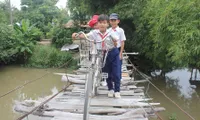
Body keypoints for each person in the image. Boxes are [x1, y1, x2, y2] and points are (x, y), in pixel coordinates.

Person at [72, 14, 121, 98]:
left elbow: (116, 39)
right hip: (103, 53)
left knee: (116, 73)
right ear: (97, 24)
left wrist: (114, 40)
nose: (102, 24)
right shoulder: (94, 33)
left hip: (113, 52)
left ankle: (117, 90)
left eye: (104, 23)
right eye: (100, 22)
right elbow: (86, 35)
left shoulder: (110, 32)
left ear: (107, 24)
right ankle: (110, 89)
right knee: (106, 72)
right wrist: (77, 34)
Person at [108, 13, 126, 81]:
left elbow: (122, 42)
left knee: (118, 65)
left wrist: (120, 53)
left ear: (118, 21)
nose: (113, 22)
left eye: (114, 20)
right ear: (109, 21)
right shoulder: (108, 30)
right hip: (110, 50)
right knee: (110, 65)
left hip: (117, 49)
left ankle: (119, 78)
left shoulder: (120, 30)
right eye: (111, 20)